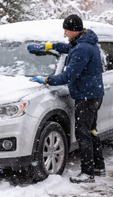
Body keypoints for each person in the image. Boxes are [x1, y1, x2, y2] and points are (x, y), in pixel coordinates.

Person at [27, 14, 105, 184]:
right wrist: (50, 46)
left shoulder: (82, 49)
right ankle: (98, 166)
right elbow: (69, 48)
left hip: (86, 97)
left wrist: (47, 80)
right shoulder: (85, 43)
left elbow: (68, 75)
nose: (64, 32)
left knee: (83, 133)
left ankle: (87, 173)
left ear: (74, 30)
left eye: (66, 29)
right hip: (93, 94)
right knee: (91, 130)